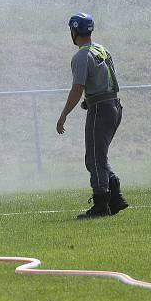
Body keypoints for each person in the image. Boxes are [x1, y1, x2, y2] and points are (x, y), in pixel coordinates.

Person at [56, 12, 128, 219]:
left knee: (94, 158)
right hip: (114, 106)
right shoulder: (101, 49)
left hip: (100, 109)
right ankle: (115, 197)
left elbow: (77, 89)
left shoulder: (81, 56)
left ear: (74, 31)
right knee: (98, 156)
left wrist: (63, 115)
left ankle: (101, 204)